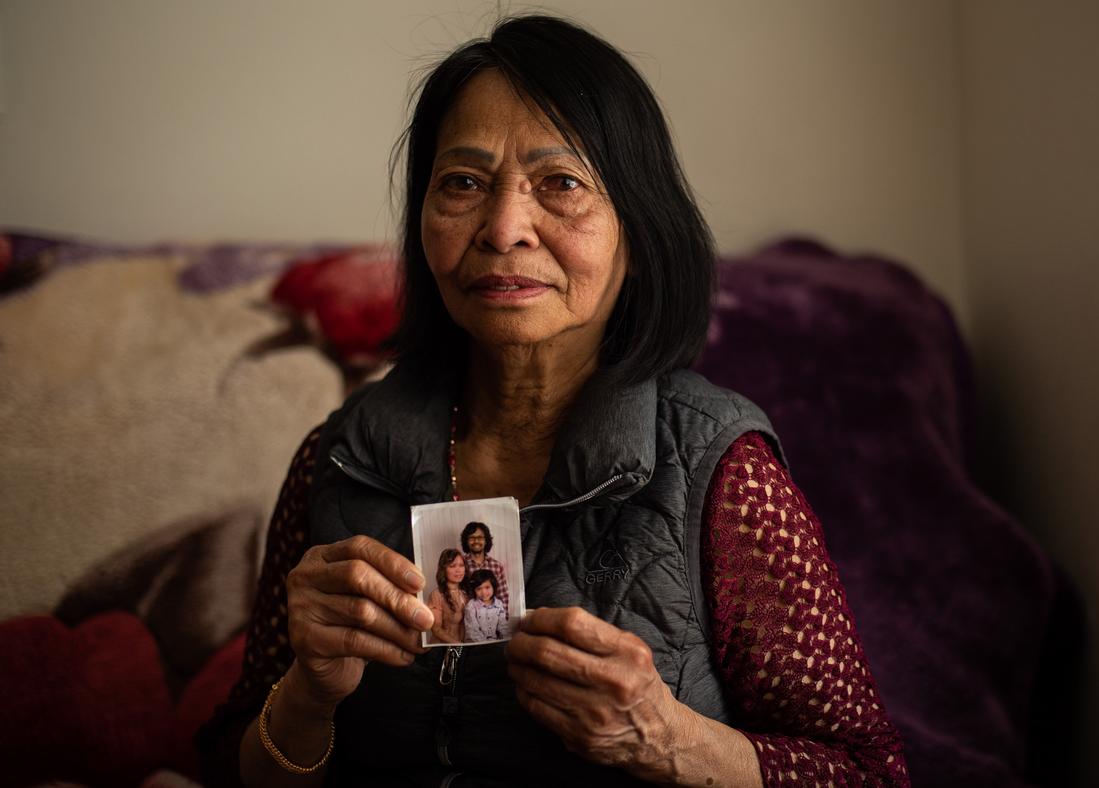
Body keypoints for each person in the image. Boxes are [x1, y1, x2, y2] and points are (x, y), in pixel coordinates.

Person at [198, 14, 909, 787]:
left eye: (561, 184)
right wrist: (309, 696)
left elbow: (870, 772)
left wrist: (667, 738)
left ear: (636, 232)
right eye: (463, 184)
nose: (504, 229)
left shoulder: (725, 473)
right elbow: (233, 763)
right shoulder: (338, 461)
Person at [459, 520, 510, 614]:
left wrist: (502, 620)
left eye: (480, 537)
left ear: (486, 541)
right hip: (467, 620)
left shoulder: (497, 566)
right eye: (472, 538)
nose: (476, 541)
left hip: (492, 620)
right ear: (466, 541)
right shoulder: (460, 564)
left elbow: (503, 596)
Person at [427, 548, 468, 644]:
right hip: (441, 648)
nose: (458, 570)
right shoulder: (436, 595)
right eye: (452, 566)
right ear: (444, 569)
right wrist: (458, 644)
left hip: (461, 647)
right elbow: (436, 629)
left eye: (461, 565)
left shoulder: (465, 595)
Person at [463, 569, 508, 642]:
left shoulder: (499, 604)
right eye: (479, 589)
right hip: (476, 644)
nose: (483, 592)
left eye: (487, 587)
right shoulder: (471, 606)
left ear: (493, 587)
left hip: (494, 642)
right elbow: (473, 631)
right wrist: (486, 644)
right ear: (474, 590)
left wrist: (505, 640)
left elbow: (503, 626)